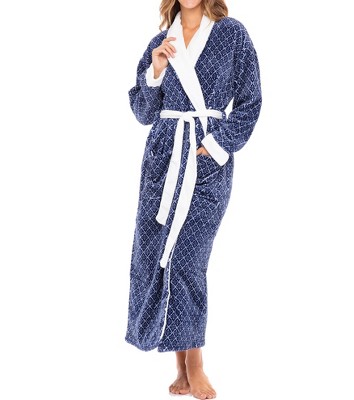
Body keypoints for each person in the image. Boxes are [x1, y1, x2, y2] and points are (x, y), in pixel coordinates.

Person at [125, 0, 262, 398]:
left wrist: (216, 147)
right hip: (163, 161)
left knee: (189, 259)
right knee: (161, 256)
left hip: (206, 160)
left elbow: (250, 102)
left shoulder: (232, 34)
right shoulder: (161, 42)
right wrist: (156, 70)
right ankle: (180, 368)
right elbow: (143, 112)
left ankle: (195, 365)